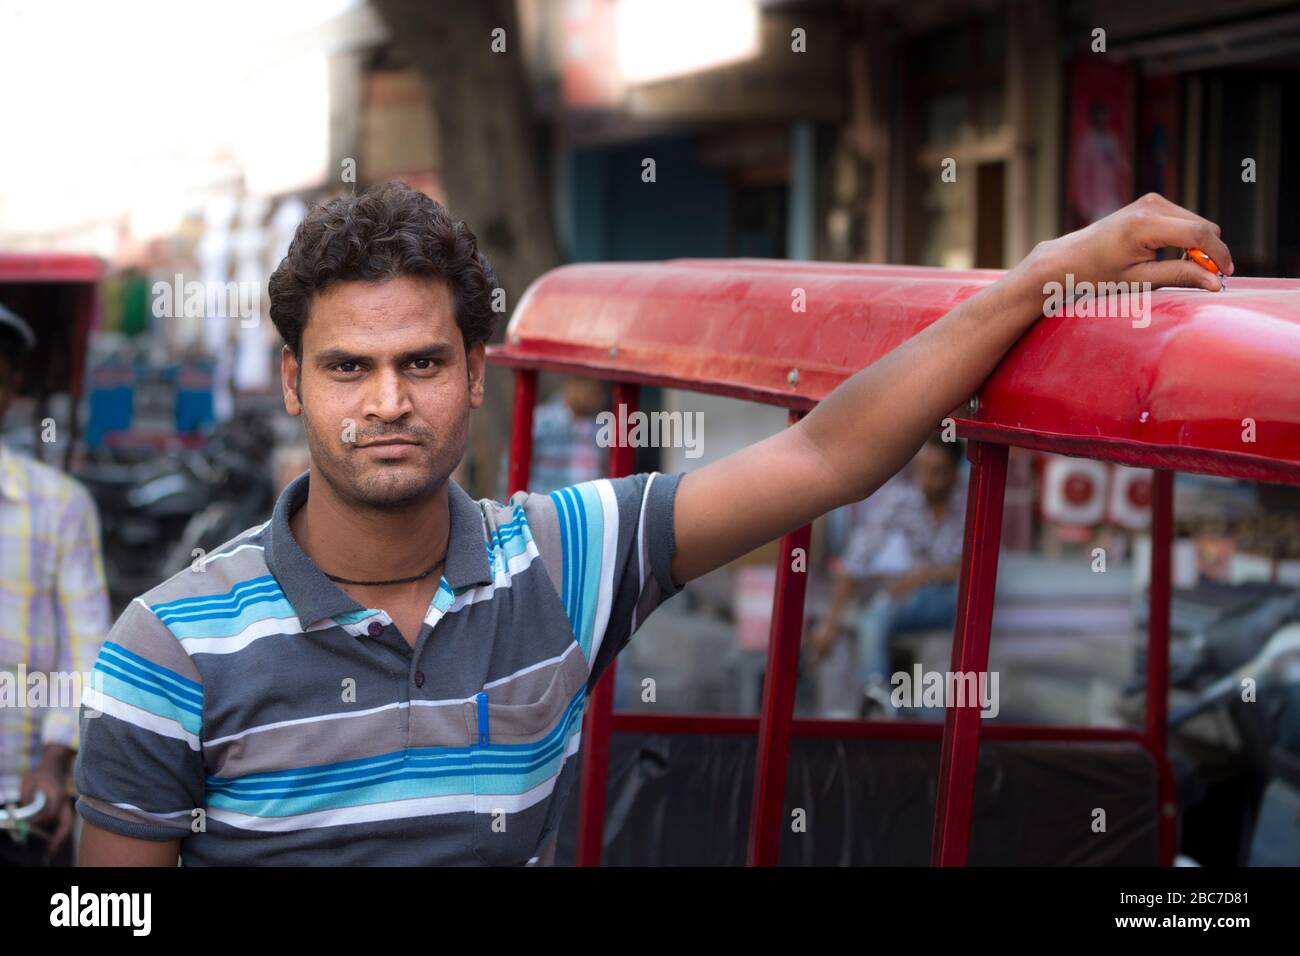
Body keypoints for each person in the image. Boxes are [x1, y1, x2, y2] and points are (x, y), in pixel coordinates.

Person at [73, 184, 1232, 866]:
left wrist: (1040, 279)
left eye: (420, 362)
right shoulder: (166, 649)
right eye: (347, 367)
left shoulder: (560, 559)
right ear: (292, 382)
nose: (386, 401)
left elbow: (826, 452)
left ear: (475, 374)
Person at [0, 303, 111, 866]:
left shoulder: (60, 505)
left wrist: (54, 761)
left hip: (19, 805)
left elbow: (85, 650)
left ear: (10, 387)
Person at [808, 436, 966, 718]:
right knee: (874, 615)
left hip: (957, 599)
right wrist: (830, 623)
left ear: (954, 473)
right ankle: (878, 701)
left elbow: (976, 568)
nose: (927, 480)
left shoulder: (971, 505)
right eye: (922, 470)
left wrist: (923, 575)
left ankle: (937, 716)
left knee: (963, 611)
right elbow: (857, 558)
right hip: (914, 598)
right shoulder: (903, 500)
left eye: (937, 471)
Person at [498, 375, 609, 498]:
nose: (600, 398)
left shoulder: (600, 429)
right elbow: (511, 470)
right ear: (574, 386)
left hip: (586, 507)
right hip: (543, 506)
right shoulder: (541, 422)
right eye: (593, 391)